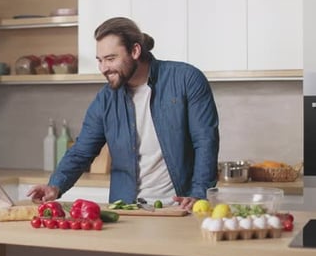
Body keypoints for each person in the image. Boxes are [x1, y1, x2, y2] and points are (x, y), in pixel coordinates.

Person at [27, 17, 219, 211]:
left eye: (110, 59)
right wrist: (55, 186)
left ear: (135, 51)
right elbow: (81, 151)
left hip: (180, 209)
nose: (103, 68)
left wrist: (198, 194)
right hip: (127, 211)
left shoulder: (186, 79)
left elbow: (205, 141)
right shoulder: (105, 99)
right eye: (100, 61)